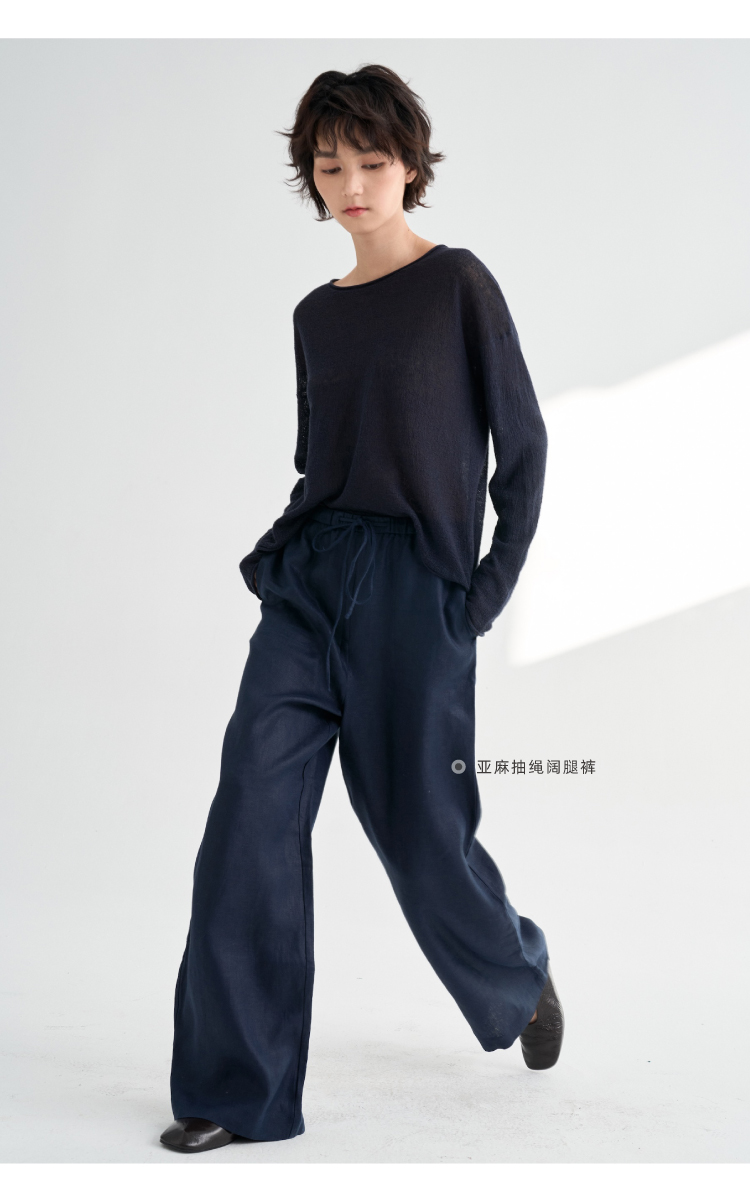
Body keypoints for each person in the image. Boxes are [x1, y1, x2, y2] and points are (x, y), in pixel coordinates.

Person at [159, 63, 563, 1156]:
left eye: (371, 162)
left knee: (422, 835)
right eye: (329, 165)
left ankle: (519, 972)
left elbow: (524, 452)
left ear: (411, 165)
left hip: (417, 593)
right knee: (249, 809)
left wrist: (478, 598)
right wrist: (279, 557)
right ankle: (234, 1088)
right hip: (311, 582)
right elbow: (320, 463)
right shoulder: (314, 317)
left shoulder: (459, 284)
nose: (350, 184)